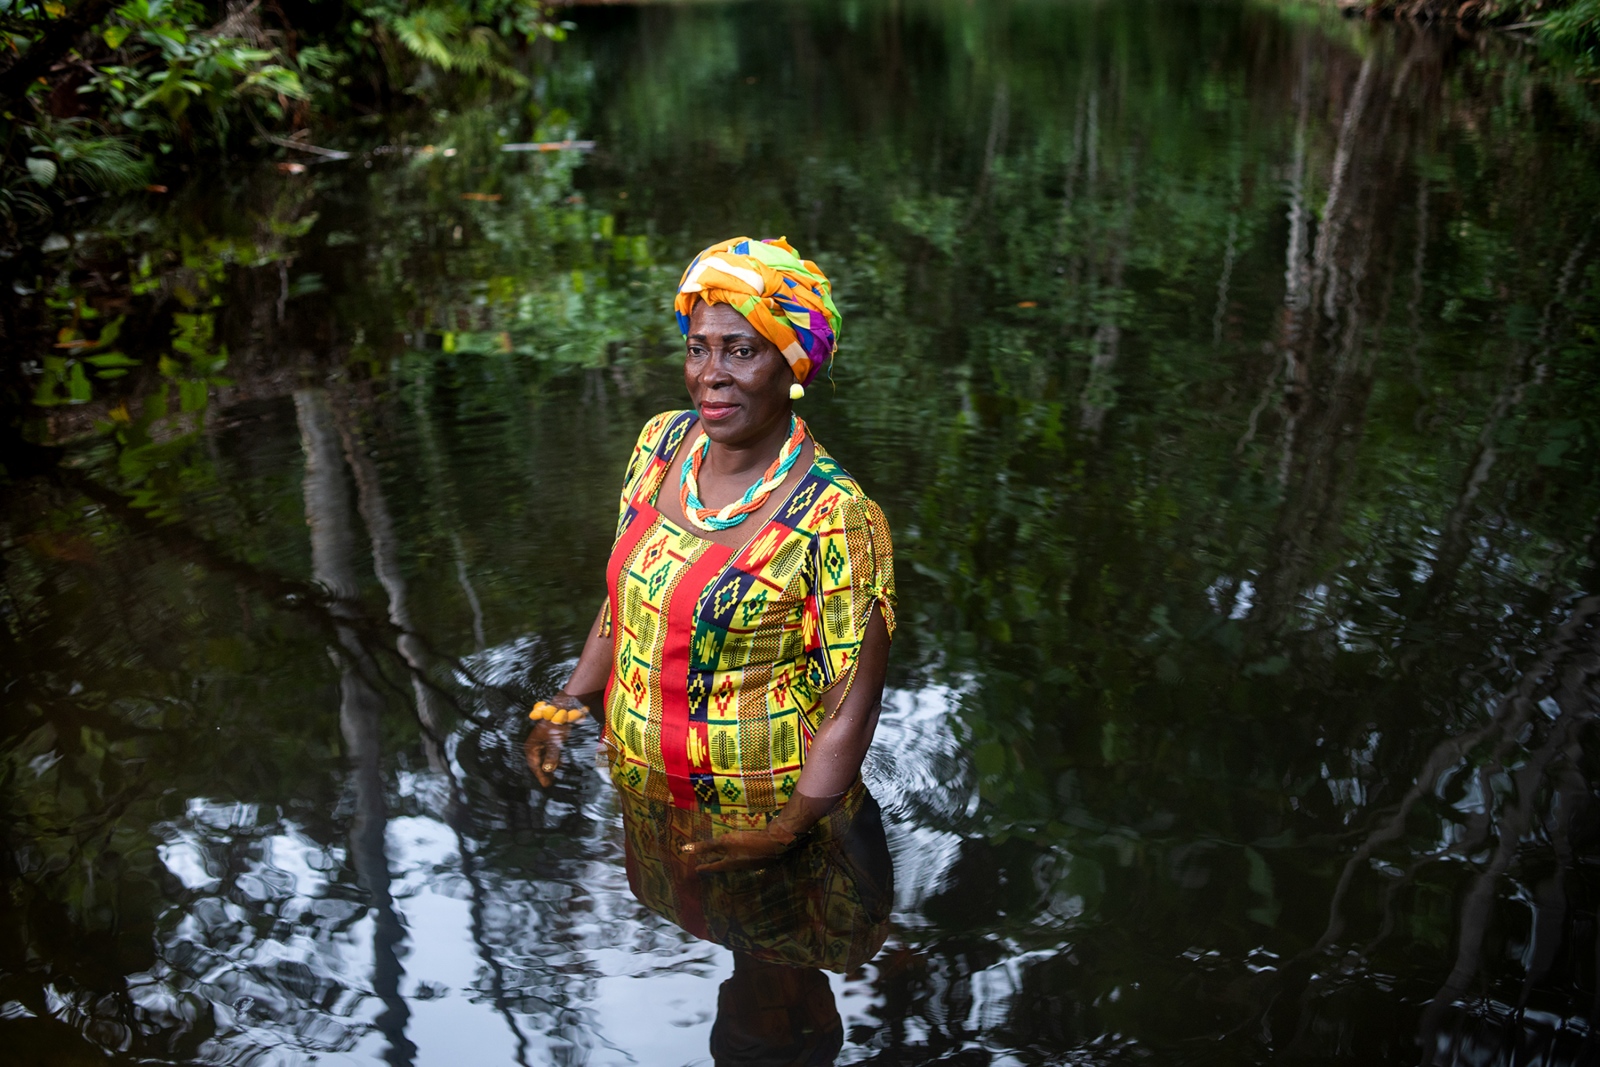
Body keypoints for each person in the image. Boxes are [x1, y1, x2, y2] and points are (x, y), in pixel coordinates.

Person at [527, 235, 896, 873]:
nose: (710, 374)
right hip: (643, 795)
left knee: (776, 968)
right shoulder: (659, 444)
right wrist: (564, 705)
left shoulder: (837, 518)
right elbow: (629, 601)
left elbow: (852, 708)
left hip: (763, 815)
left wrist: (783, 835)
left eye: (742, 351)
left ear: (792, 366)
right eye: (699, 348)